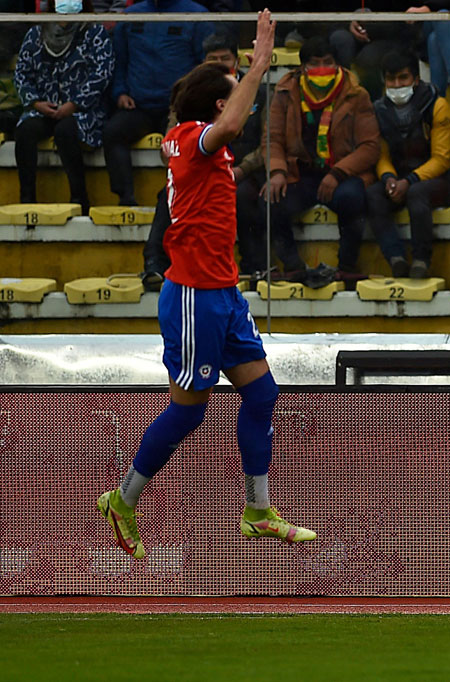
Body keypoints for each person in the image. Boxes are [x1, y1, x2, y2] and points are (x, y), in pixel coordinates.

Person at [97, 10, 316, 561]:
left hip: (221, 293)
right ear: (218, 106)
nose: (239, 95)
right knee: (190, 408)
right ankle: (123, 500)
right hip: (194, 295)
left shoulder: (194, 144)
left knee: (263, 393)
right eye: (232, 90)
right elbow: (237, 124)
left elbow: (231, 133)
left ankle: (258, 511)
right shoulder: (193, 139)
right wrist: (260, 63)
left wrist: (243, 74)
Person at [142, 32, 271, 289]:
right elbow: (230, 126)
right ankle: (153, 264)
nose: (245, 106)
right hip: (198, 284)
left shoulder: (183, 132)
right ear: (222, 105)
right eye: (239, 97)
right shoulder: (193, 138)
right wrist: (257, 70)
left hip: (221, 281)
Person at [261, 35, 380, 284]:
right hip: (300, 171)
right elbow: (272, 138)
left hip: (341, 172)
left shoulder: (356, 94)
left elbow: (369, 146)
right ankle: (293, 266)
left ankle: (346, 266)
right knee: (271, 199)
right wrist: (277, 171)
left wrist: (337, 173)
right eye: (315, 63)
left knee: (352, 197)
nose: (321, 68)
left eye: (327, 62)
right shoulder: (285, 92)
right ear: (302, 67)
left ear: (337, 64)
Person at [103, 0, 214, 207]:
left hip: (178, 109)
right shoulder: (130, 16)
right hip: (138, 105)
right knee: (113, 132)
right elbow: (119, 61)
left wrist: (190, 100)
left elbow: (206, 66)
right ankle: (125, 198)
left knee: (183, 143)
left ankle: (175, 197)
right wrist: (120, 93)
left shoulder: (197, 15)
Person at [13, 0, 113, 212]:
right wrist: (36, 103)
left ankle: (79, 198)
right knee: (25, 132)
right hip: (42, 108)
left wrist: (75, 104)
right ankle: (27, 199)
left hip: (83, 111)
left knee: (65, 130)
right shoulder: (35, 33)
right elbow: (22, 73)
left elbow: (102, 73)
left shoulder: (95, 32)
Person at [368, 50, 450, 279]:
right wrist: (388, 178)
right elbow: (381, 153)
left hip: (437, 180)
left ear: (416, 79)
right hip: (398, 177)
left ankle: (421, 260)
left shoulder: (436, 106)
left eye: (403, 78)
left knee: (417, 194)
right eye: (391, 79)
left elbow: (442, 158)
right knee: (373, 195)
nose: (397, 85)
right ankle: (395, 258)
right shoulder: (379, 110)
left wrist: (410, 180)